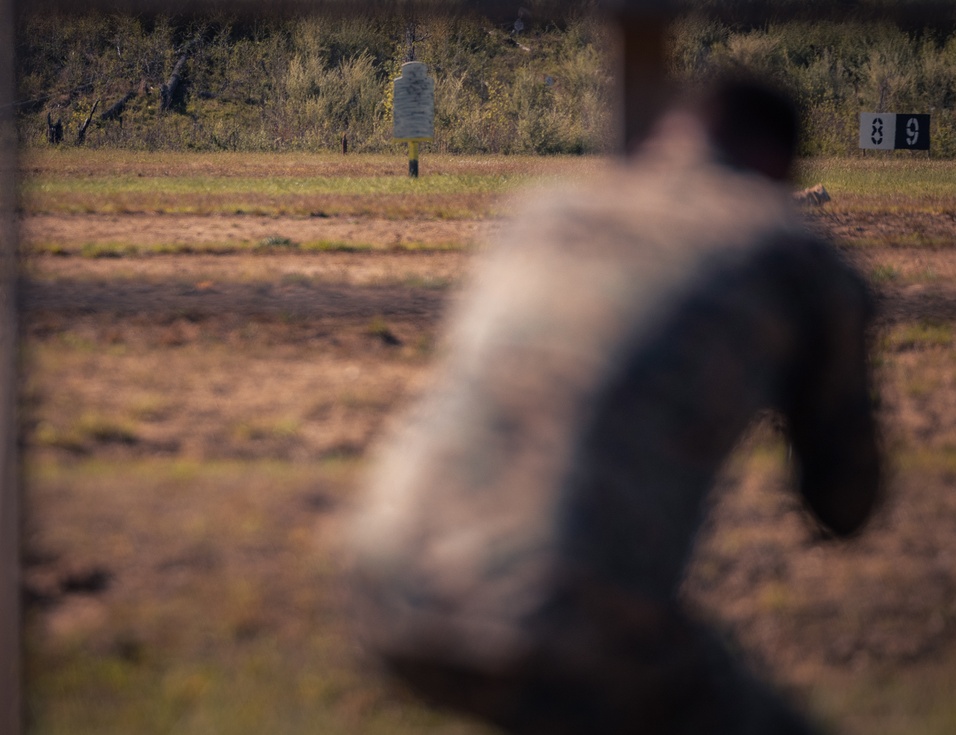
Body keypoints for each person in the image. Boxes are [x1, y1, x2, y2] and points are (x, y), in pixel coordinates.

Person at [348, 75, 882, 735]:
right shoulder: (789, 253)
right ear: (778, 165)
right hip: (566, 607)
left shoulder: (544, 212)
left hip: (385, 579)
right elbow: (845, 505)